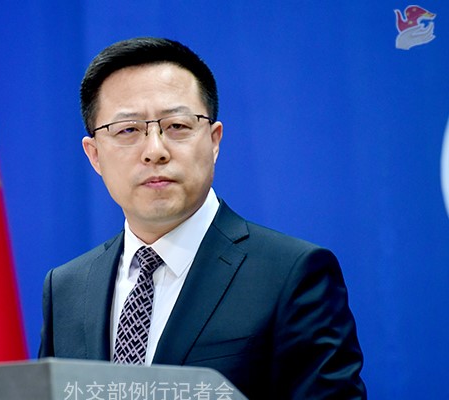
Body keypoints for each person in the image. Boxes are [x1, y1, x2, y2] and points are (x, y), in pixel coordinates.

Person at [39, 37, 366, 399]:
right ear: (94, 155)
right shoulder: (66, 288)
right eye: (128, 130)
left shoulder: (292, 274)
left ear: (213, 140)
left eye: (177, 126)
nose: (155, 151)